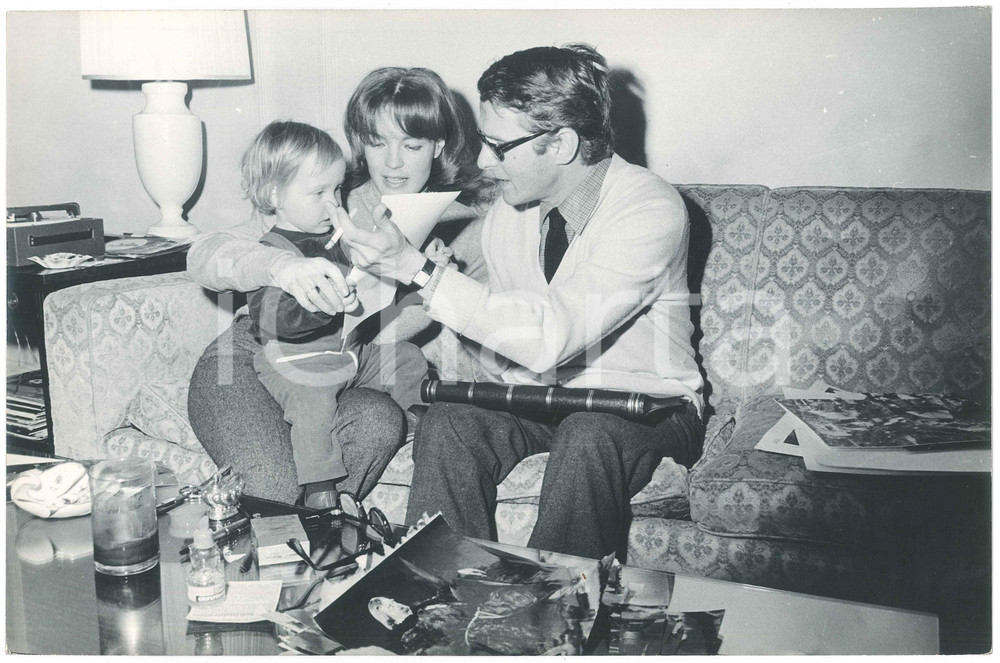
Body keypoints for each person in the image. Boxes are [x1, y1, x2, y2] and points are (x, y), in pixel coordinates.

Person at [335, 44, 706, 560]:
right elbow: (501, 340)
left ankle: (550, 619)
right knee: (448, 422)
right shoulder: (509, 214)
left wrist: (419, 272)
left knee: (587, 434)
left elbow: (551, 335)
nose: (485, 162)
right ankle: (434, 598)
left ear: (561, 144)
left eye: (498, 146)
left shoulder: (650, 208)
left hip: (645, 407)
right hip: (541, 403)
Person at [186, 68, 491, 503]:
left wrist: (427, 279)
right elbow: (204, 254)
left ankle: (323, 535)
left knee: (381, 421)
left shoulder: (468, 228)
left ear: (438, 145)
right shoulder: (328, 198)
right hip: (252, 354)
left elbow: (478, 339)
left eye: (412, 144)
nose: (393, 162)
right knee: (274, 491)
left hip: (342, 368)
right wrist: (281, 266)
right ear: (360, 143)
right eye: (378, 142)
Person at [240, 120, 439, 509]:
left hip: (349, 354)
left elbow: (374, 293)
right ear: (274, 195)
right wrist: (321, 306)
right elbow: (270, 318)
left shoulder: (336, 239)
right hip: (295, 361)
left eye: (337, 190)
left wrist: (420, 272)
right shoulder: (273, 252)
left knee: (407, 358)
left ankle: (418, 419)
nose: (334, 203)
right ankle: (319, 489)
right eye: (319, 193)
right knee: (314, 407)